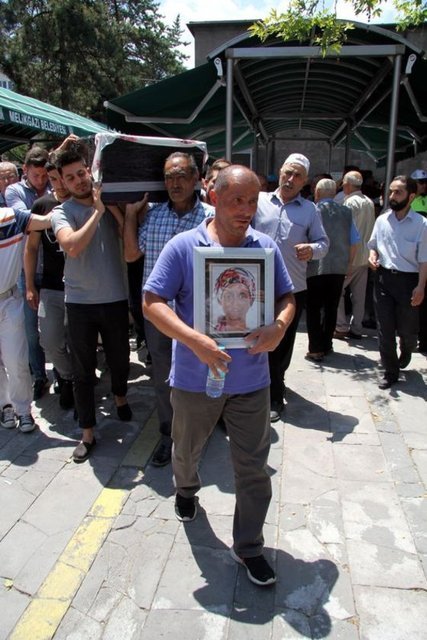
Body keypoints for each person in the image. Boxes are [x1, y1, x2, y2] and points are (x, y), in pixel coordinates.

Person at [143, 165, 295, 586]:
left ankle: (249, 547)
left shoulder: (264, 247)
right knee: (186, 451)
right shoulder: (183, 247)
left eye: (252, 201)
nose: (246, 210)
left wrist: (279, 326)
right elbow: (152, 302)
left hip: (251, 382)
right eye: (236, 201)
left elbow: (286, 297)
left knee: (254, 469)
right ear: (214, 197)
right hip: (195, 379)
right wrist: (194, 340)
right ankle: (186, 490)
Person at [124, 152, 214, 467]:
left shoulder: (212, 218)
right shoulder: (154, 216)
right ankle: (169, 436)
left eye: (181, 176)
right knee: (163, 378)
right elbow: (131, 254)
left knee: (201, 374)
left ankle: (200, 432)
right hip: (160, 316)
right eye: (168, 177)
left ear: (196, 179)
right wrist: (131, 215)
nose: (174, 183)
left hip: (198, 317)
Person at [51, 149, 132, 463]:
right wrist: (97, 212)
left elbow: (128, 239)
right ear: (63, 182)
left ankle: (120, 397)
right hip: (80, 303)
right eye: (70, 178)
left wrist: (111, 209)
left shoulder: (109, 203)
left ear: (89, 170)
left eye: (81, 173)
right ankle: (87, 432)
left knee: (120, 360)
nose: (78, 181)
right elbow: (71, 246)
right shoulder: (62, 212)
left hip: (115, 298)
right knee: (82, 371)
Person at [253, 153, 329, 421]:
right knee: (257, 340)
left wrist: (312, 249)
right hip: (255, 286)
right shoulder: (259, 201)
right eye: (288, 172)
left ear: (305, 181)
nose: (290, 179)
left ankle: (275, 395)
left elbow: (323, 243)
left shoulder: (310, 210)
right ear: (280, 171)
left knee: (282, 344)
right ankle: (261, 389)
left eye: (297, 175)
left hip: (291, 289)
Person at [368, 175, 427, 389]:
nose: (392, 196)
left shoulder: (421, 224)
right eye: (391, 191)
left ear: (411, 197)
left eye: (398, 192)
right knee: (384, 328)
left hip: (409, 282)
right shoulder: (382, 220)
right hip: (383, 279)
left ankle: (407, 347)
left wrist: (421, 287)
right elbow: (373, 245)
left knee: (407, 329)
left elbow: (424, 259)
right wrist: (372, 256)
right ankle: (390, 371)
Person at [24, 159, 74, 410]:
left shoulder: (83, 202)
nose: (60, 184)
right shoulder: (42, 205)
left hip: (81, 287)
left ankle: (77, 383)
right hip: (50, 286)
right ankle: (67, 376)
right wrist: (30, 285)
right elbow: (31, 248)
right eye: (53, 179)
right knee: (49, 340)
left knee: (78, 342)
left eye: (62, 178)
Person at [0, 204, 53, 433]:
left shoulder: (9, 217)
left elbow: (46, 220)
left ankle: (23, 410)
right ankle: (5, 406)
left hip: (8, 299)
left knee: (16, 360)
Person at [5, 146, 51, 400]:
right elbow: (24, 218)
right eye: (36, 176)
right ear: (25, 171)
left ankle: (64, 375)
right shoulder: (14, 191)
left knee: (57, 327)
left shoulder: (53, 187)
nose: (42, 181)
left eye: (45, 176)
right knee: (31, 330)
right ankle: (39, 376)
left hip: (54, 268)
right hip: (27, 270)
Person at [306, 179, 360, 360]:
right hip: (338, 267)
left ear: (317, 193)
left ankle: (315, 348)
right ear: (335, 193)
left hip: (315, 267)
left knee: (313, 308)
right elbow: (354, 242)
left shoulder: (312, 211)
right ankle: (327, 344)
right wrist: (349, 264)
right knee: (331, 307)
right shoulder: (346, 212)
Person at [334, 170, 375, 340]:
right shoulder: (369, 202)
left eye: (344, 183)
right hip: (365, 256)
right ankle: (357, 327)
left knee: (337, 291)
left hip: (351, 256)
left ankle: (341, 326)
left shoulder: (350, 203)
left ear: (348, 185)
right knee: (359, 296)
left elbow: (345, 232)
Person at [213, 267, 256, 332]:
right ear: (220, 300)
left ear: (251, 300)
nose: (235, 303)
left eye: (242, 296)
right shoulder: (209, 334)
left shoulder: (257, 335)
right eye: (229, 296)